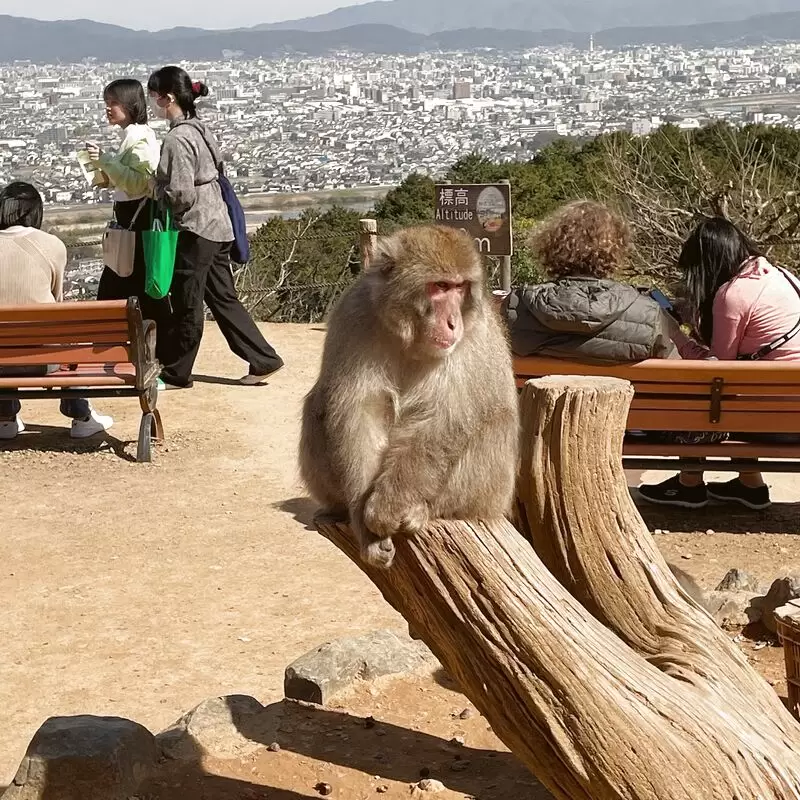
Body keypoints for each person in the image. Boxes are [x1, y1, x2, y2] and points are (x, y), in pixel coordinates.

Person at [638, 217, 800, 510]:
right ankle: (750, 484)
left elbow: (717, 372)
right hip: (790, 414)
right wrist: (692, 316)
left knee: (707, 396)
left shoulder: (732, 294)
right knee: (739, 397)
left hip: (771, 422)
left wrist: (676, 335)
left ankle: (690, 484)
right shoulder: (783, 276)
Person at [147, 66, 284, 388]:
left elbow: (180, 193)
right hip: (219, 222)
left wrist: (155, 189)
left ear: (167, 98)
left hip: (196, 227)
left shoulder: (177, 138)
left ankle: (177, 371)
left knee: (187, 301)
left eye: (154, 96)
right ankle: (263, 359)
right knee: (223, 297)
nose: (152, 102)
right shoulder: (199, 128)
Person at [0, 182, 113, 440]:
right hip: (44, 359)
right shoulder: (51, 245)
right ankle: (81, 414)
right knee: (66, 334)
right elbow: (57, 299)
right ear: (34, 212)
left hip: (0, 361)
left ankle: (4, 418)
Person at [502, 200, 679, 363]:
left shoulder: (517, 306)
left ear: (550, 247)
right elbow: (676, 374)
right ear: (616, 251)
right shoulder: (648, 313)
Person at [86, 79, 170, 343]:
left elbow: (139, 184)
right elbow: (128, 180)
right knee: (127, 292)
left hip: (136, 228)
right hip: (131, 227)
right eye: (106, 103)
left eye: (114, 103)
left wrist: (106, 161)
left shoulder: (141, 139)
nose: (108, 109)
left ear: (130, 105)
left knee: (120, 292)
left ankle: (123, 351)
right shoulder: (131, 136)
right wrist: (103, 171)